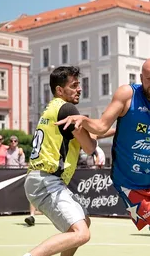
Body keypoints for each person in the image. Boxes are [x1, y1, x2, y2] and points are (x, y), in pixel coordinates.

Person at [57, 58, 150, 256]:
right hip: (129, 182)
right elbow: (102, 126)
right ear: (141, 78)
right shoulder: (127, 95)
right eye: (148, 79)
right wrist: (85, 120)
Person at [22, 66, 97, 256]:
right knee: (82, 233)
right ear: (59, 90)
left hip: (41, 179)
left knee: (83, 222)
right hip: (47, 180)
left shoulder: (54, 108)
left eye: (79, 85)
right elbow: (89, 147)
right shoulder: (68, 109)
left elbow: (91, 135)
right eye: (74, 86)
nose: (79, 89)